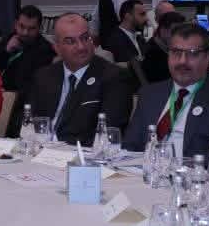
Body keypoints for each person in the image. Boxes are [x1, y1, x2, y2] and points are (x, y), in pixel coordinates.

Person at [123, 22, 209, 169]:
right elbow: (129, 148)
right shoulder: (150, 93)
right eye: (176, 52)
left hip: (194, 177)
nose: (182, 61)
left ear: (207, 57)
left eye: (192, 53)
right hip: (146, 176)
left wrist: (173, 168)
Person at [8, 13, 129, 143]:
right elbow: (23, 121)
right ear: (57, 48)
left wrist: (56, 145)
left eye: (85, 38)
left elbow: (108, 132)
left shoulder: (114, 77)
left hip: (79, 152)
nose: (81, 46)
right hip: (38, 148)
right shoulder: (43, 76)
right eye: (70, 41)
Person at [0, 5, 54, 93]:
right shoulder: (10, 38)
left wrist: (6, 91)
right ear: (16, 24)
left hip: (18, 96)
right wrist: (6, 50)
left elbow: (31, 85)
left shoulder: (45, 50)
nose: (25, 32)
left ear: (39, 28)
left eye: (31, 28)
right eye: (22, 26)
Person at [141, 9, 184, 85]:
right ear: (163, 30)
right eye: (174, 32)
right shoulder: (152, 54)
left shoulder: (162, 46)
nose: (179, 37)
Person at [104, 0, 149, 66]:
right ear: (128, 16)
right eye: (142, 14)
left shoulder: (139, 37)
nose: (146, 18)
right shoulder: (116, 40)